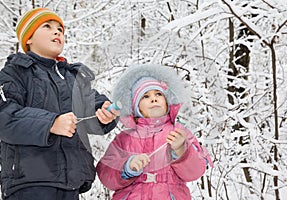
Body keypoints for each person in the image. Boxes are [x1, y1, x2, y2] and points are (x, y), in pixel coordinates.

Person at [0, 7, 120, 200]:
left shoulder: (72, 78)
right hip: (29, 183)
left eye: (60, 29)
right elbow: (4, 117)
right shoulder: (14, 73)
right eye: (47, 26)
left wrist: (104, 112)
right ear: (28, 39)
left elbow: (91, 108)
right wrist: (51, 123)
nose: (57, 32)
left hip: (71, 184)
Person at [96, 64, 213, 199]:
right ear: (135, 106)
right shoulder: (124, 138)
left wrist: (181, 150)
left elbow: (195, 172)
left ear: (167, 101)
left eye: (158, 94)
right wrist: (127, 168)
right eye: (145, 96)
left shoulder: (180, 133)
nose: (154, 98)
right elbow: (105, 173)